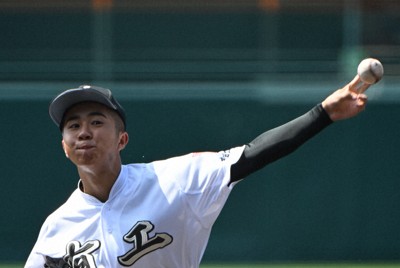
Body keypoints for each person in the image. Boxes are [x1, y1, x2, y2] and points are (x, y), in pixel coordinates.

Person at [25, 76, 370, 268]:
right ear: (65, 146)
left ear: (122, 140)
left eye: (96, 122)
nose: (84, 131)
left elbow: (252, 155)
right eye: (73, 125)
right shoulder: (57, 229)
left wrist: (323, 113)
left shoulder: (173, 181)